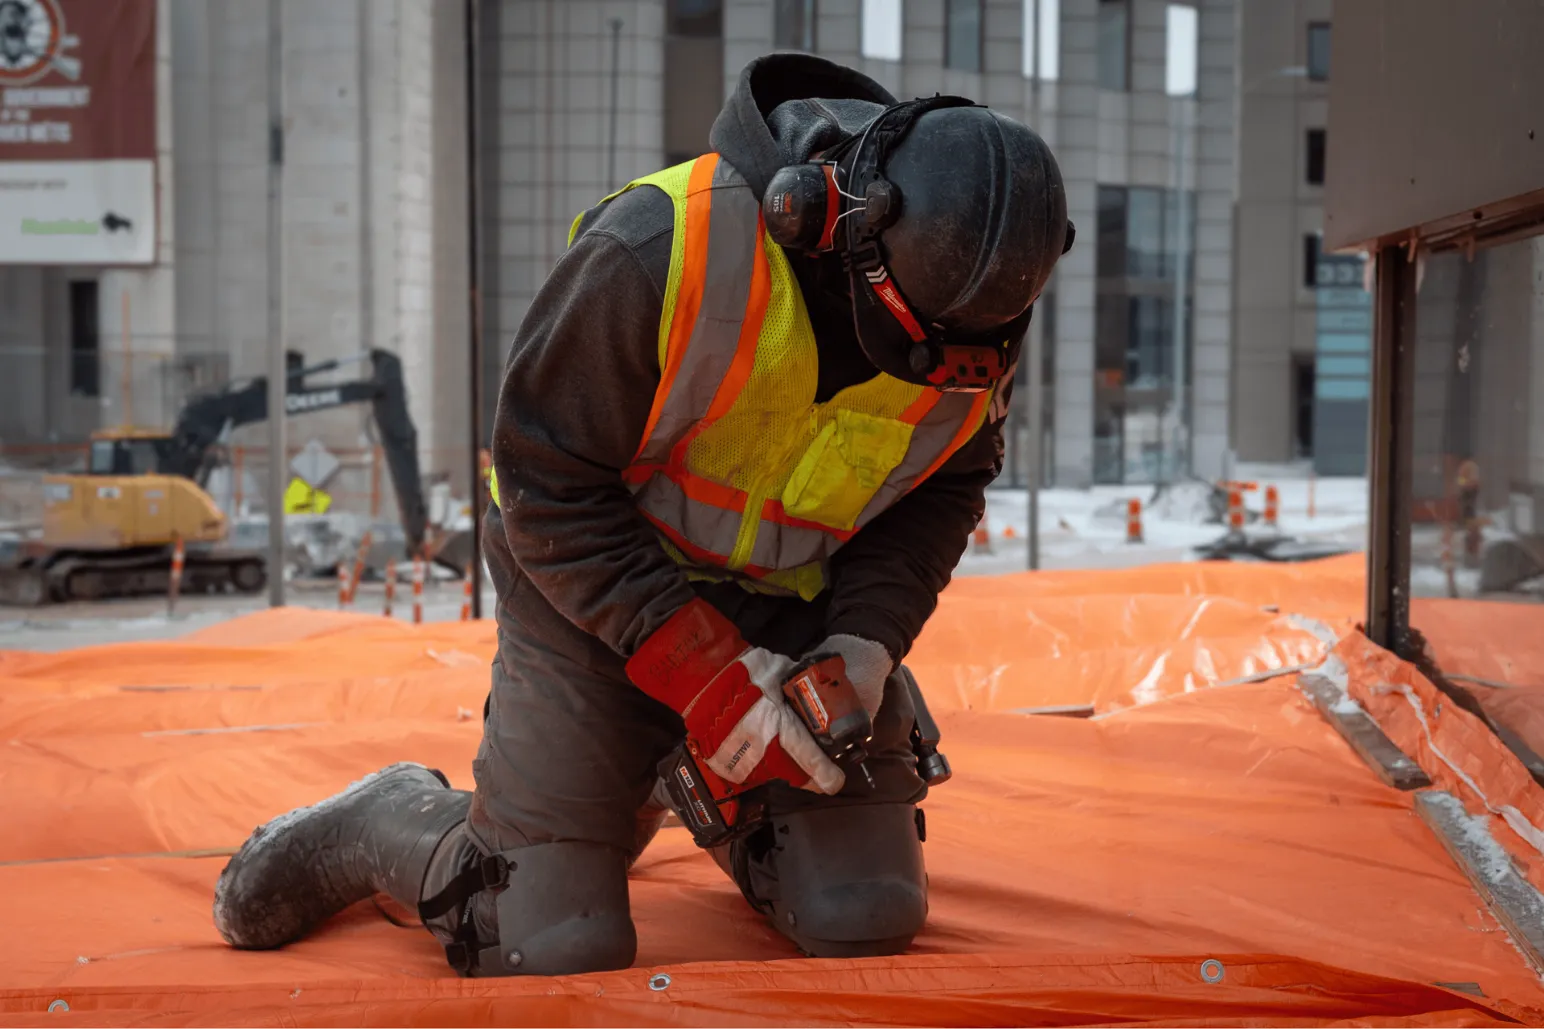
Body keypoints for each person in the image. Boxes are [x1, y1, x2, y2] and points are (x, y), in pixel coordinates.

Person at [212, 53, 1072, 977]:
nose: (936, 370)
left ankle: (742, 806)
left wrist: (866, 641)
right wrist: (702, 673)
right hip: (596, 596)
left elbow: (945, 482)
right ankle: (383, 816)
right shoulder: (664, 251)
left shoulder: (970, 321)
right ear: (834, 231)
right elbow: (544, 483)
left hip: (793, 607)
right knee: (548, 935)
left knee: (864, 911)